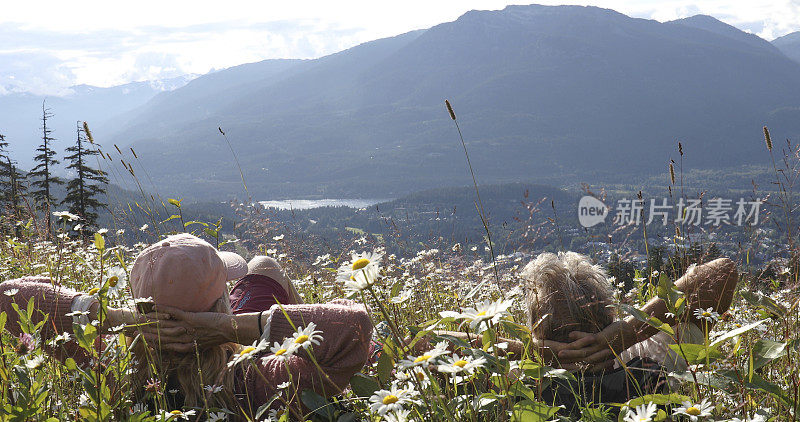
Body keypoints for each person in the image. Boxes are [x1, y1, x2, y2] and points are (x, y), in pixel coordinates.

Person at [0, 233, 372, 420]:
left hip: (151, 338)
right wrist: (227, 327)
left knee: (252, 266)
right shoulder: (258, 382)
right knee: (262, 266)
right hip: (236, 339)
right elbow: (354, 325)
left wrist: (117, 320)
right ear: (223, 304)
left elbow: (9, 295)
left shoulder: (105, 371)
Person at [517, 251, 737, 412]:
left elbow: (481, 346)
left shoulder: (515, 381)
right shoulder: (644, 359)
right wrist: (631, 331)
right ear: (611, 316)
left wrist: (527, 351)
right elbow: (723, 272)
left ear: (536, 329)